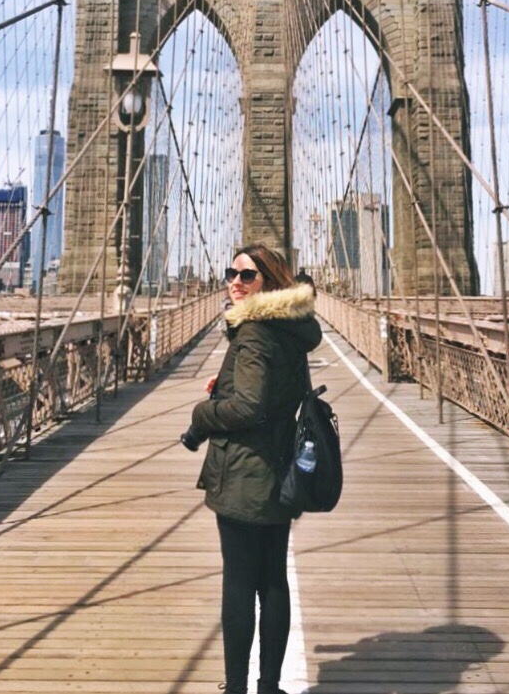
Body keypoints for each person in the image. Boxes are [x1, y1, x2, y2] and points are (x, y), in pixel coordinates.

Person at [183, 243, 322, 694]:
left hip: (246, 471)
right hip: (279, 466)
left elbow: (248, 407)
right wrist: (229, 381)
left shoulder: (255, 330)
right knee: (272, 580)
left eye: (247, 275)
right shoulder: (289, 326)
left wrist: (204, 413)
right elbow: (275, 388)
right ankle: (268, 687)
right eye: (232, 274)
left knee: (240, 585)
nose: (235, 283)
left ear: (270, 282)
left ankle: (238, 688)